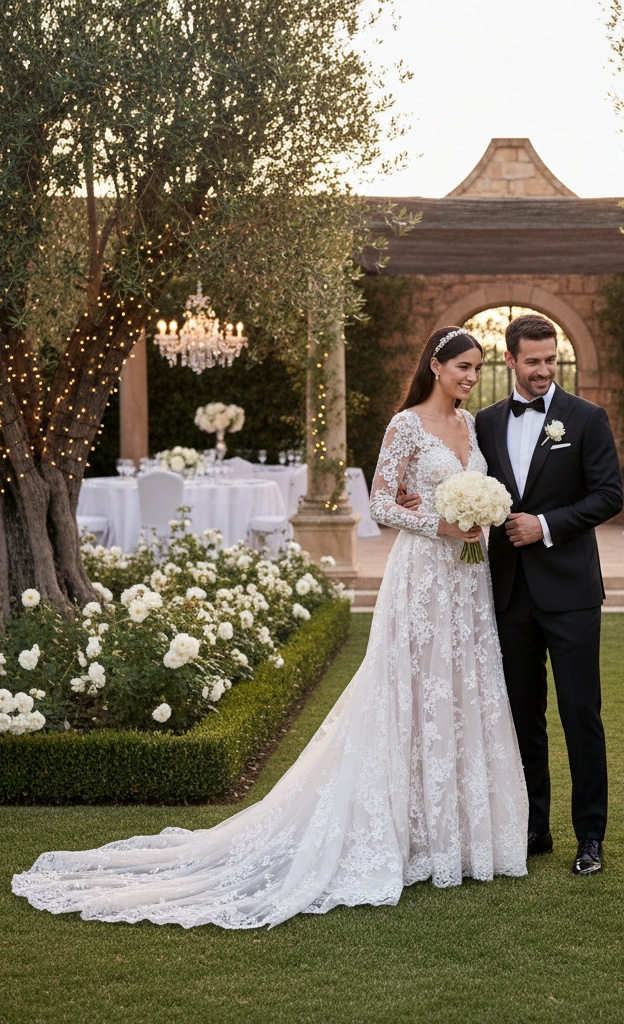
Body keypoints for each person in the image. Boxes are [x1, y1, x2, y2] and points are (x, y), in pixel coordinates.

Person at [11, 327, 528, 929]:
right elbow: (382, 503)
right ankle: (403, 834)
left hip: (467, 582)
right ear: (436, 366)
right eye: (464, 366)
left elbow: (477, 491)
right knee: (409, 691)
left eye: (478, 367)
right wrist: (443, 523)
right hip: (422, 576)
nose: (471, 376)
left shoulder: (469, 427)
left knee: (460, 691)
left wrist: (480, 517)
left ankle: (454, 838)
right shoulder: (405, 425)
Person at [475, 313, 623, 877]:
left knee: (581, 712)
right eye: (532, 361)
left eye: (550, 360)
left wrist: (545, 524)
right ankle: (534, 826)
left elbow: (609, 495)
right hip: (509, 592)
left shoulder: (586, 418)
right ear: (509, 360)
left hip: (572, 591)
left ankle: (590, 837)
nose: (543, 370)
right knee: (521, 714)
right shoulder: (484, 424)